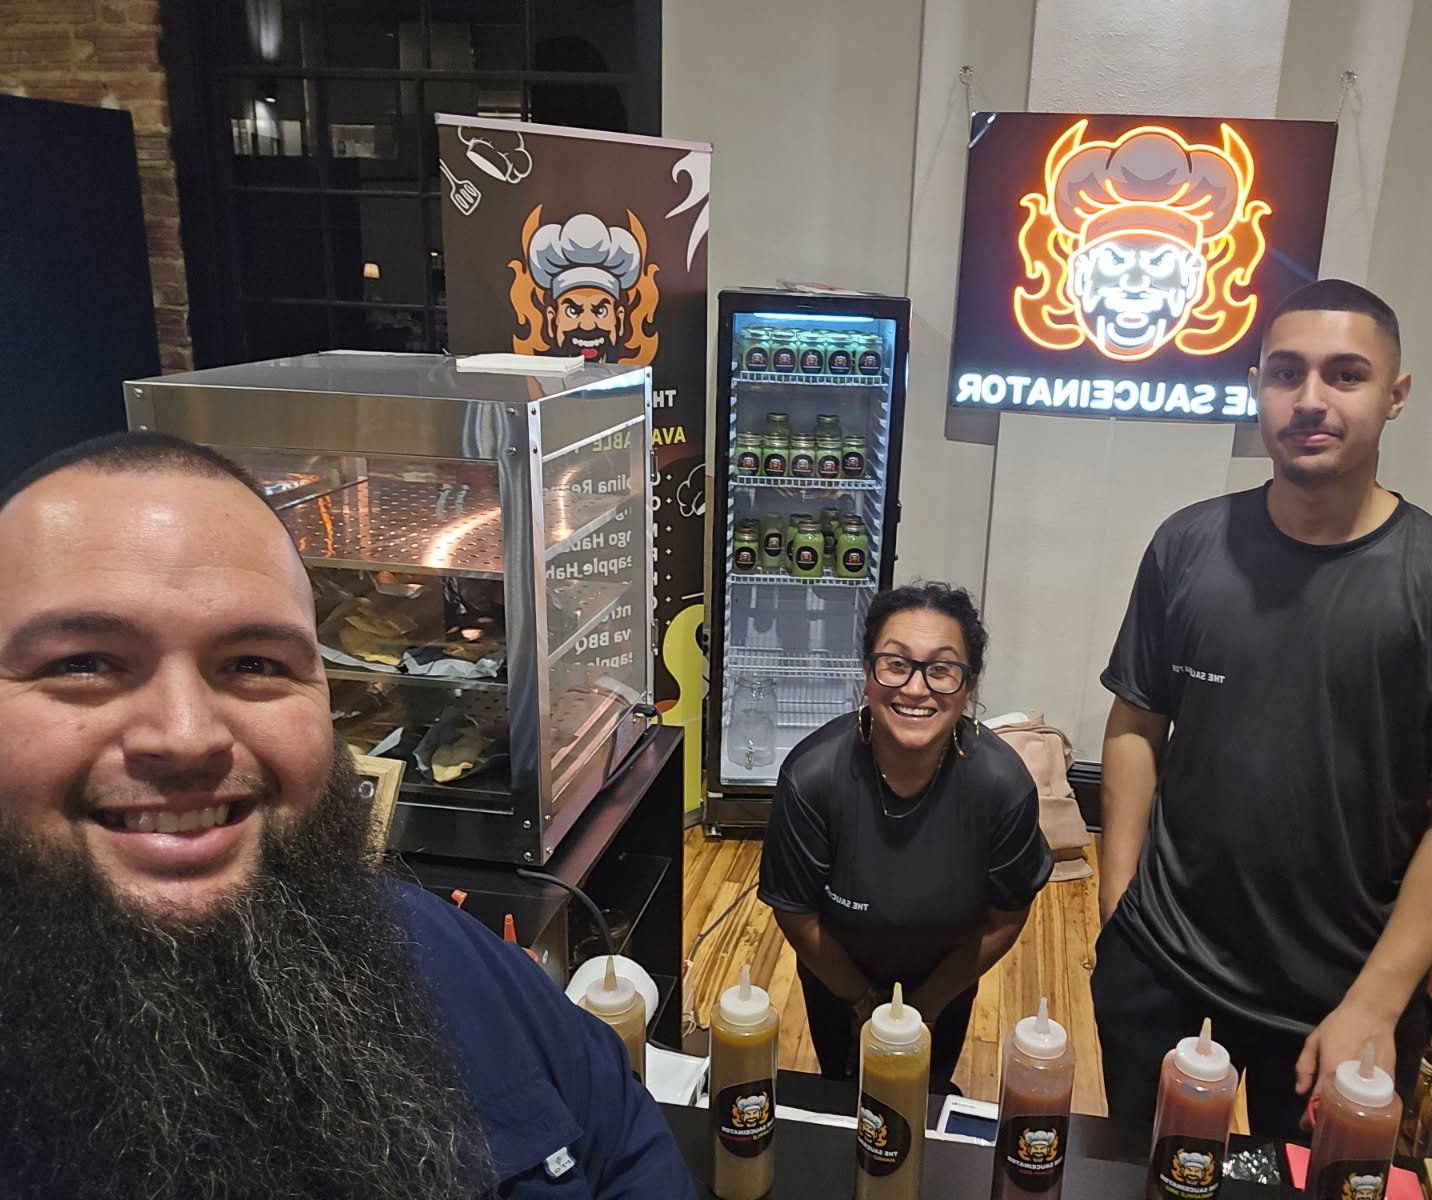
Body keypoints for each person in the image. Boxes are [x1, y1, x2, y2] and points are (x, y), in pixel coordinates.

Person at [0, 432, 695, 1199]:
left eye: (253, 665)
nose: (187, 734)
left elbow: (622, 1137)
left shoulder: (429, 947)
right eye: (82, 663)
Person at [1092, 279, 1432, 1139]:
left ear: (1395, 396)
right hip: (1164, 966)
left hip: (1343, 992)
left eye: (1346, 374)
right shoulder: (1187, 545)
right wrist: (1118, 907)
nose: (1310, 399)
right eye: (1285, 373)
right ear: (1257, 384)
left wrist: (1378, 999)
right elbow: (1138, 724)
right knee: (1152, 1175)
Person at [758, 583, 1053, 1091]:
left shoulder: (1002, 787)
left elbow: (1007, 915)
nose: (916, 689)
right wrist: (862, 1001)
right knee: (843, 1090)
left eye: (941, 669)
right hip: (835, 973)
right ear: (867, 677)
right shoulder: (812, 778)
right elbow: (796, 910)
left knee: (925, 1094)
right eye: (895, 664)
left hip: (948, 974)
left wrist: (929, 1005)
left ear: (969, 687)